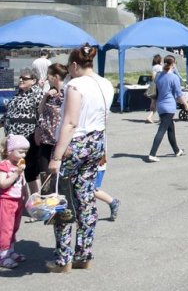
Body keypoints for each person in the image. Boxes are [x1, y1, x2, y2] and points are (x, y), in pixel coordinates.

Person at [46, 44, 115, 273]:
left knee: (62, 199)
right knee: (85, 198)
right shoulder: (105, 84)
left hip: (74, 144)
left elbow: (71, 123)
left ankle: (63, 259)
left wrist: (56, 156)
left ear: (74, 65)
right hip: (96, 143)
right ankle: (84, 254)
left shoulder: (75, 85)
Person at [147, 55, 188, 163]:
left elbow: (154, 92)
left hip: (161, 106)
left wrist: (153, 104)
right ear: (173, 64)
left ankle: (177, 150)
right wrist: (186, 105)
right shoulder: (174, 77)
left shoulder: (159, 76)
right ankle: (152, 154)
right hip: (169, 106)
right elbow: (179, 95)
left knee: (170, 127)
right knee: (162, 129)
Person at [2, 68, 43, 187]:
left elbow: (41, 115)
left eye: (24, 78)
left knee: (30, 171)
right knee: (14, 169)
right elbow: (9, 113)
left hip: (28, 137)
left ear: (33, 80)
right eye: (20, 78)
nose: (20, 80)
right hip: (13, 138)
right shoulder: (18, 93)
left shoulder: (37, 94)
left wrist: (38, 131)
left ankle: (36, 199)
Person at [33, 64, 68, 197]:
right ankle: (47, 203)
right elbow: (40, 111)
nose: (47, 77)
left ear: (56, 76)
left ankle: (62, 204)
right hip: (46, 138)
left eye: (49, 74)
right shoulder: (50, 92)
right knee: (44, 172)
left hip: (59, 139)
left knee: (60, 174)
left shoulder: (66, 92)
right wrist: (46, 96)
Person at [0, 134, 29, 269]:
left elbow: (22, 184)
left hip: (18, 202)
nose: (23, 155)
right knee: (5, 229)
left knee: (14, 228)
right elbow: (3, 184)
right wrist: (16, 173)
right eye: (20, 152)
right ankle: (3, 255)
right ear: (9, 151)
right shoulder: (4, 165)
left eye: (25, 152)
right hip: (6, 201)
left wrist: (26, 197)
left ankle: (10, 251)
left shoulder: (19, 165)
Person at [145, 54, 163, 124]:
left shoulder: (153, 67)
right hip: (159, 85)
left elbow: (153, 77)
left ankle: (150, 116)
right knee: (160, 101)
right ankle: (159, 118)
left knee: (153, 102)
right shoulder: (160, 67)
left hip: (153, 85)